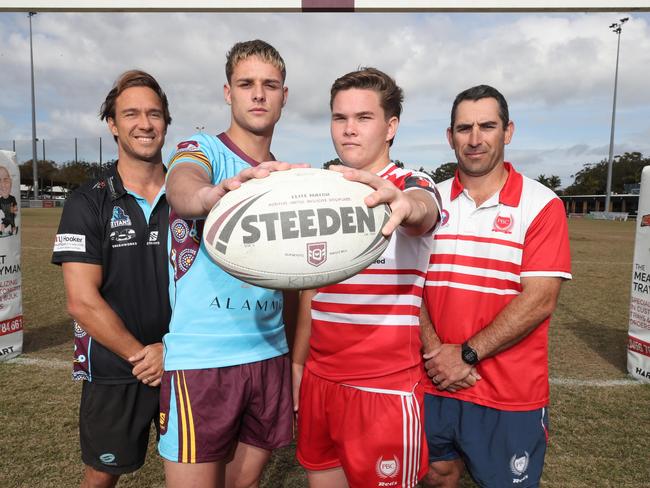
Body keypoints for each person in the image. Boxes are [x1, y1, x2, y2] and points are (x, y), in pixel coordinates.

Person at [159, 39, 305, 488]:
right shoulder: (203, 149)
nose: (258, 94)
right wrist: (209, 197)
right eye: (246, 84)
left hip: (269, 356)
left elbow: (296, 284)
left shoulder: (286, 178)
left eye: (270, 85)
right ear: (228, 93)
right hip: (204, 359)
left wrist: (295, 363)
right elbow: (183, 183)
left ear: (284, 95)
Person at [293, 67, 442, 488]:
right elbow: (313, 291)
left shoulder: (411, 182)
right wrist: (299, 365)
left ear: (391, 126)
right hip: (321, 383)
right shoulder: (318, 190)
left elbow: (421, 208)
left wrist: (406, 206)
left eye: (364, 118)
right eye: (340, 118)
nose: (349, 130)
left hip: (383, 391)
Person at [420, 85, 572, 488]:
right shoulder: (428, 200)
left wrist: (467, 355)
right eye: (463, 128)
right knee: (437, 474)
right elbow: (409, 284)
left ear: (508, 132)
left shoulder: (541, 204)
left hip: (507, 393)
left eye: (487, 126)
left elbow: (540, 299)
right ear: (449, 136)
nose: (474, 139)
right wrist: (436, 351)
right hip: (433, 379)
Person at [51, 70, 172, 488]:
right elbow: (81, 301)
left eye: (154, 113)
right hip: (119, 368)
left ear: (166, 122)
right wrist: (146, 357)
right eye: (132, 113)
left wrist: (170, 350)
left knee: (206, 473)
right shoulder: (89, 200)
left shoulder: (189, 195)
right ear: (113, 124)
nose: (145, 123)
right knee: (102, 477)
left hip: (187, 363)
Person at [0, 165, 17, 235]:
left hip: (11, 216)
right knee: (3, 225)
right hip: (6, 217)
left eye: (6, 180)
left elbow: (15, 208)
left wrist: (13, 210)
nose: (3, 185)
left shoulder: (12, 198)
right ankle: (2, 231)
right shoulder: (0, 200)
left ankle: (13, 230)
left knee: (12, 225)